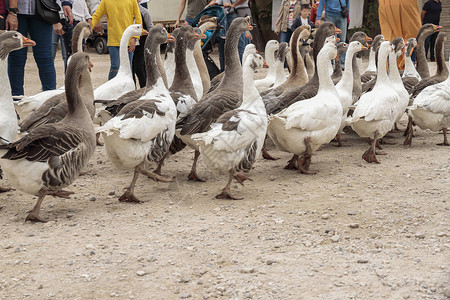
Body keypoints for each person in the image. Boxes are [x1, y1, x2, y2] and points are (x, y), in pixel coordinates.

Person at [7, 0, 73, 97]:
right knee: (16, 57)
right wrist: (12, 11)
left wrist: (66, 2)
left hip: (43, 9)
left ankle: (50, 98)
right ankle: (15, 100)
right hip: (17, 11)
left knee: (45, 57)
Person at [91, 0, 142, 80]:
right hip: (113, 41)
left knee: (128, 69)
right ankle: (111, 90)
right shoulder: (105, 1)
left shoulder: (132, 1)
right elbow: (96, 16)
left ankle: (127, 91)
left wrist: (135, 38)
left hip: (128, 42)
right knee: (115, 67)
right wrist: (89, 27)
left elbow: (139, 20)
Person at [378, 0, 421, 68]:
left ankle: (391, 68)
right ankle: (408, 68)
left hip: (386, 4)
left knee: (390, 37)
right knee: (411, 36)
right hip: (407, 4)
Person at [53, 0, 92, 72]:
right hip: (67, 17)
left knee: (78, 56)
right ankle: (71, 82)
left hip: (80, 18)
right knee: (72, 57)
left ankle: (76, 82)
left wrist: (87, 16)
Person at [132, 0, 153, 88]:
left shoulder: (144, 12)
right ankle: (132, 90)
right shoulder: (125, 12)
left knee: (139, 68)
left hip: (141, 45)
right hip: (128, 45)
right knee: (130, 70)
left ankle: (145, 89)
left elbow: (150, 27)